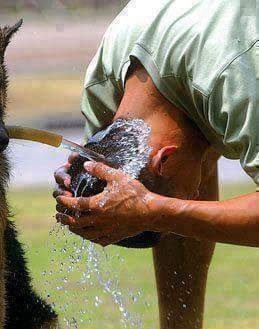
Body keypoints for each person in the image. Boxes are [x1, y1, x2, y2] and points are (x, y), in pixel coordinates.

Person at [54, 1, 258, 328]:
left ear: (163, 160)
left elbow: (165, 209)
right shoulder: (105, 93)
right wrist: (81, 181)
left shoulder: (238, 79)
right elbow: (142, 194)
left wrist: (157, 209)